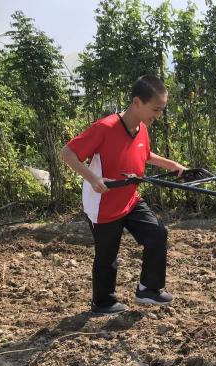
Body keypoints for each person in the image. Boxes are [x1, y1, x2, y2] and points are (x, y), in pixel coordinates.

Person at [61, 75, 186, 315]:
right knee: (108, 255)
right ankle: (103, 302)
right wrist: (93, 178)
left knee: (157, 234)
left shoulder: (141, 129)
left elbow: (146, 155)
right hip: (103, 203)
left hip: (129, 199)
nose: (158, 115)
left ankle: (149, 288)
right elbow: (67, 153)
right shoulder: (105, 127)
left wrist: (173, 165)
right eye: (155, 109)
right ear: (137, 102)